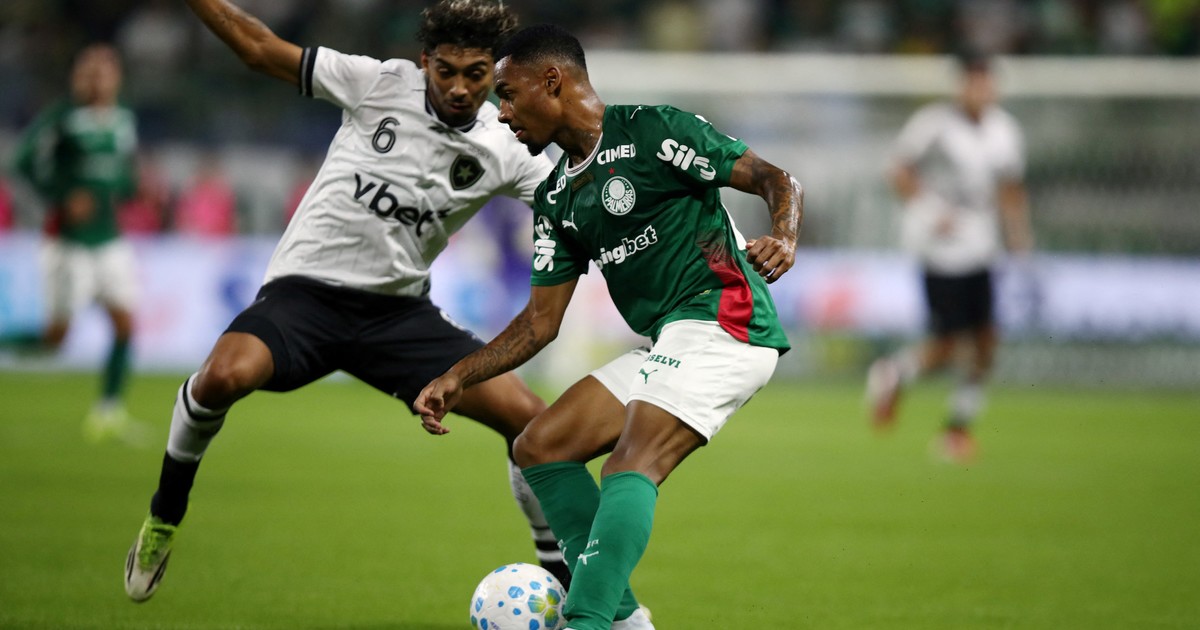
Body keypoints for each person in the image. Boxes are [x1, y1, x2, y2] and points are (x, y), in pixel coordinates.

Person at [124, 0, 569, 603]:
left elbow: (580, 204)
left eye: (476, 73)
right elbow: (259, 48)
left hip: (397, 316)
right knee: (222, 377)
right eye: (446, 71)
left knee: (533, 422)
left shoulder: (507, 147)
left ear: (496, 71)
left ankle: (560, 574)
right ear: (424, 62)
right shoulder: (379, 83)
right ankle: (164, 515)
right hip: (304, 296)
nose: (461, 88)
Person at [415, 24, 802, 630]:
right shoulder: (556, 198)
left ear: (552, 81)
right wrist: (459, 375)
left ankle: (590, 622)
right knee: (540, 446)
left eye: (508, 95)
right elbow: (539, 323)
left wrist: (783, 233)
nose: (502, 113)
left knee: (630, 462)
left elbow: (776, 179)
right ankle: (626, 623)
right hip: (670, 338)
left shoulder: (655, 131)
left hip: (725, 322)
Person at [865, 51, 1033, 463]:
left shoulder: (1004, 130)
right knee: (949, 345)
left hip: (982, 247)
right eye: (974, 82)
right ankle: (895, 372)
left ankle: (957, 429)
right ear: (961, 86)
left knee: (986, 342)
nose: (981, 90)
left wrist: (1020, 238)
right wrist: (929, 211)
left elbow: (1010, 188)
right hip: (941, 250)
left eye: (986, 82)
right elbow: (898, 170)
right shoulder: (934, 124)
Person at [10, 44, 144, 443]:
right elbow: (22, 162)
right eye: (89, 72)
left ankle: (108, 411)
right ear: (77, 77)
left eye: (104, 72)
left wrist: (132, 188)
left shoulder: (123, 119)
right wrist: (62, 196)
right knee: (55, 339)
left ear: (117, 78)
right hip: (68, 242)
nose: (96, 80)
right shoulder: (62, 117)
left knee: (125, 323)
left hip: (109, 237)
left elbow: (123, 171)